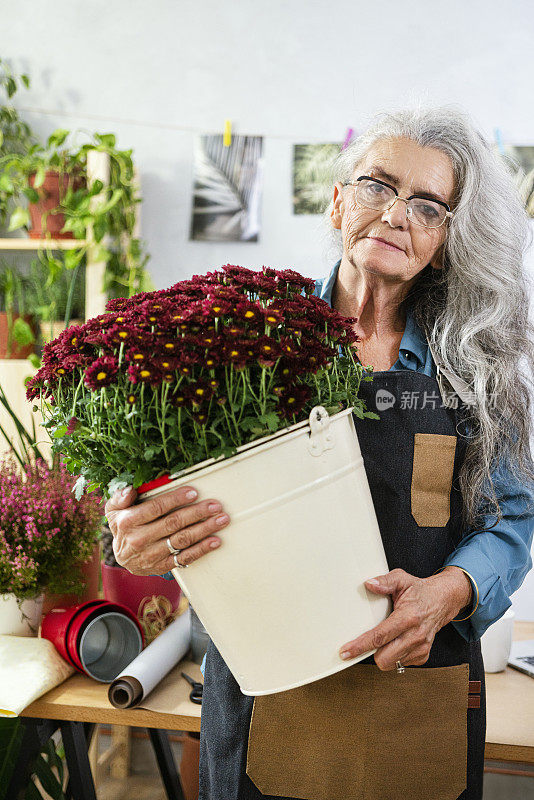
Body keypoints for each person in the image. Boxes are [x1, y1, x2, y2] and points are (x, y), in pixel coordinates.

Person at [105, 105, 534, 800]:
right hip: (264, 705)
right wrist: (125, 527)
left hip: (414, 695)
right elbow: (137, 474)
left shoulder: (476, 370)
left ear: (446, 241)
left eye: (427, 205)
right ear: (337, 203)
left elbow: (512, 520)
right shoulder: (243, 341)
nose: (396, 214)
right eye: (377, 186)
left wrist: (445, 595)